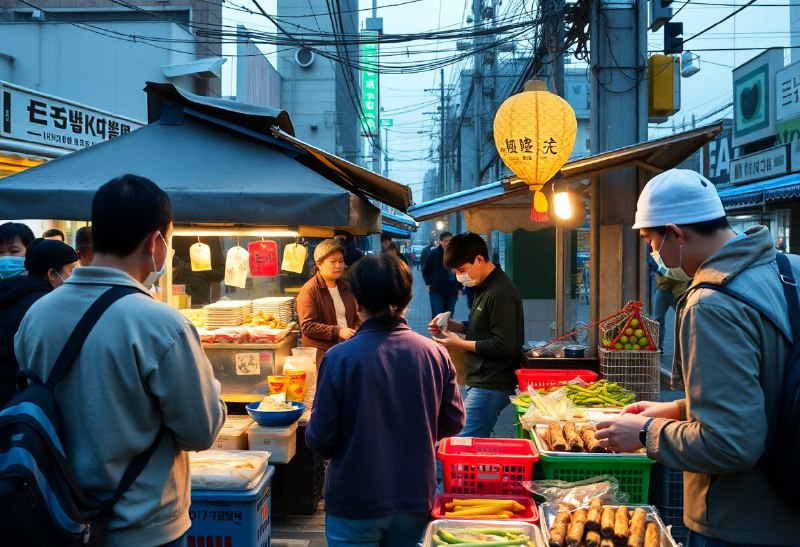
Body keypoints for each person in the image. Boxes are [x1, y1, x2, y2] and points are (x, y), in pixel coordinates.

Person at [15, 174, 226, 546]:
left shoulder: (37, 315)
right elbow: (200, 431)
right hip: (144, 529)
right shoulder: (162, 324)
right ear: (156, 242)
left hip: (57, 518)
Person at [593, 169, 800, 546]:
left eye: (650, 241)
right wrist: (678, 410)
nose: (653, 254)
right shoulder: (791, 270)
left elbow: (732, 442)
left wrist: (644, 433)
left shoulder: (712, 303)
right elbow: (766, 391)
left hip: (741, 523)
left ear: (675, 233)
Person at [306, 254, 464, 546]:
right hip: (415, 495)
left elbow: (320, 438)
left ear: (357, 299)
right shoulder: (434, 353)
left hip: (354, 498)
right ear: (408, 297)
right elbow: (453, 421)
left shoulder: (339, 358)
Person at [429, 232, 524, 438]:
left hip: (492, 383)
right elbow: (483, 327)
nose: (459, 276)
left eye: (461, 270)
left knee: (458, 446)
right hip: (481, 380)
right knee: (467, 445)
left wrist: (459, 344)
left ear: (479, 259)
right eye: (455, 271)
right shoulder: (483, 284)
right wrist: (454, 326)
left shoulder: (500, 292)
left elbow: (503, 344)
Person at [1, 234, 78, 406]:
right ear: (52, 274)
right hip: (21, 406)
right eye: (72, 270)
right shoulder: (47, 307)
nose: (75, 275)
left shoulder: (11, 292)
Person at [297, 239, 361, 367]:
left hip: (346, 350)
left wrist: (357, 332)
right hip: (322, 356)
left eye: (341, 261)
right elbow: (307, 326)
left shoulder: (346, 287)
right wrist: (338, 331)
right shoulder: (309, 290)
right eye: (333, 262)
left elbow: (355, 317)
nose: (338, 266)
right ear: (319, 264)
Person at [422, 232, 462, 318]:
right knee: (438, 316)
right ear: (441, 242)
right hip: (436, 290)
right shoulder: (434, 254)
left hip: (452, 291)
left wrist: (460, 287)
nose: (448, 243)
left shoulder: (457, 255)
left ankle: (447, 331)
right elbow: (425, 270)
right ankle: (438, 331)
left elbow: (461, 272)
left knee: (449, 317)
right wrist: (428, 284)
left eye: (450, 241)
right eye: (445, 241)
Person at [651, 273, 690, 351]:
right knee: (658, 319)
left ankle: (684, 348)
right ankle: (657, 347)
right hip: (662, 290)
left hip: (679, 291)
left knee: (683, 319)